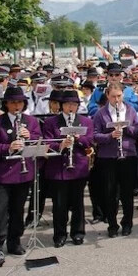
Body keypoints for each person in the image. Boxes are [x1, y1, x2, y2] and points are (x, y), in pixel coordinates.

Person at [42, 89, 93, 247]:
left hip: (78, 166)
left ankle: (78, 233)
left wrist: (79, 139)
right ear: (62, 106)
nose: (71, 107)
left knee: (78, 203)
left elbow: (90, 141)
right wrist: (60, 145)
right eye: (67, 104)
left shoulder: (86, 121)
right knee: (59, 204)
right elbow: (47, 142)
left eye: (74, 104)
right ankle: (60, 234)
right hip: (59, 168)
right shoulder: (51, 122)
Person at [0, 87, 41, 266]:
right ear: (6, 103)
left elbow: (39, 140)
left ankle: (14, 241)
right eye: (13, 102)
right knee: (0, 211)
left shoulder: (31, 121)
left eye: (20, 102)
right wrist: (7, 147)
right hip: (2, 173)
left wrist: (29, 137)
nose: (17, 105)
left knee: (18, 209)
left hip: (24, 173)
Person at [92, 81, 138, 237]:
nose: (117, 100)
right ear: (107, 96)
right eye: (113, 97)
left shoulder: (130, 110)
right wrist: (109, 136)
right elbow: (94, 135)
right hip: (108, 157)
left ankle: (127, 223)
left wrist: (128, 128)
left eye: (119, 96)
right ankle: (112, 224)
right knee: (110, 192)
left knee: (127, 193)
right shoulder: (100, 113)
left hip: (127, 155)